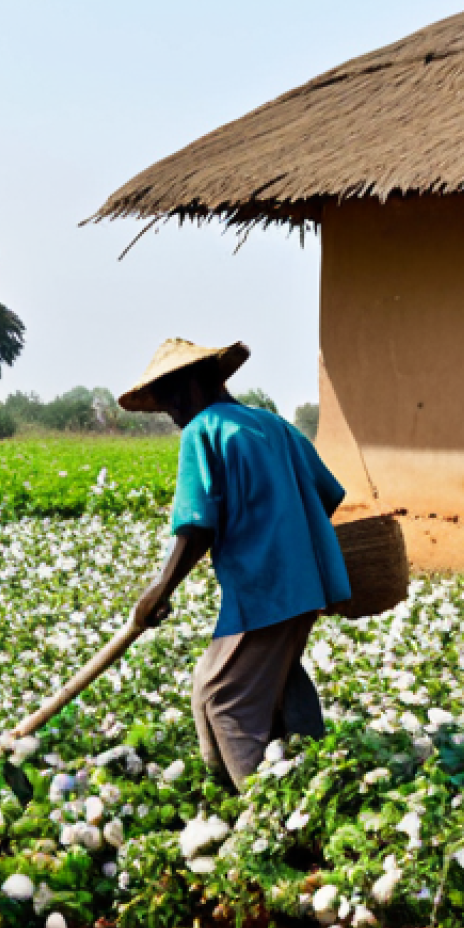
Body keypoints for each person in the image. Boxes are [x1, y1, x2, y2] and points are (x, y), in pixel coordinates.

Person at [120, 338, 350, 791]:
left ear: (191, 384)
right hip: (308, 584)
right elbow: (329, 493)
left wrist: (157, 592)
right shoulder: (276, 426)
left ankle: (264, 814)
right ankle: (313, 773)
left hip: (263, 587)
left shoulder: (203, 431)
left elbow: (197, 525)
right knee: (273, 681)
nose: (167, 410)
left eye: (168, 395)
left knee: (223, 698)